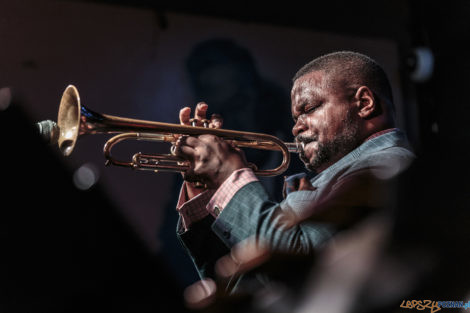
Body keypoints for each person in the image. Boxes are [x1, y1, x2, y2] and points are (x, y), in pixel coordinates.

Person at [172, 51, 415, 297]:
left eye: (308, 108)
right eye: (295, 118)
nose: (296, 127)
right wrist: (209, 191)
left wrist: (229, 177)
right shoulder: (336, 180)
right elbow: (247, 284)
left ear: (364, 103)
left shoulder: (387, 167)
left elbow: (300, 270)